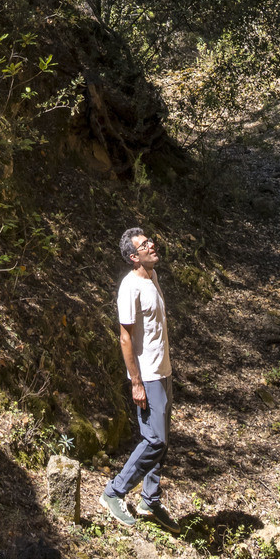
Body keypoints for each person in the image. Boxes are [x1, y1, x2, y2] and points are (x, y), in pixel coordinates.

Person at [100, 226, 173, 529]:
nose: (151, 245)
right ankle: (114, 491)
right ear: (133, 256)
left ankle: (150, 501)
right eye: (144, 245)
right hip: (148, 376)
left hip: (164, 370)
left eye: (150, 240)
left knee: (162, 441)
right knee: (154, 440)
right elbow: (124, 339)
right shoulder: (130, 288)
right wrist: (136, 382)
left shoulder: (152, 276)